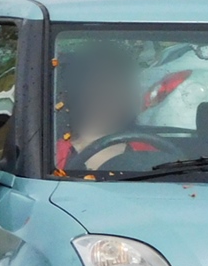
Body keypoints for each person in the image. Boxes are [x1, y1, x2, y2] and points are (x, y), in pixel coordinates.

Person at [54, 42, 156, 171]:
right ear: (76, 91)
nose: (106, 95)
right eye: (97, 84)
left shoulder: (153, 156)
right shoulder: (51, 155)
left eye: (115, 86)